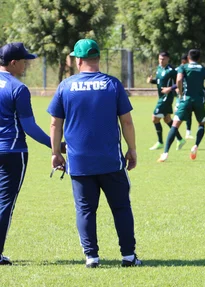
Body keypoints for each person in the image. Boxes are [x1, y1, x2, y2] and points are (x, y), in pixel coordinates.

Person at [47, 39, 141, 268]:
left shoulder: (65, 86)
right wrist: (132, 149)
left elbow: (54, 124)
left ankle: (92, 257)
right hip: (110, 160)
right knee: (121, 207)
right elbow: (126, 121)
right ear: (98, 58)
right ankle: (128, 256)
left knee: (86, 210)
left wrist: (55, 153)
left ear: (78, 60)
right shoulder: (112, 84)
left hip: (79, 162)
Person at [0, 42, 54, 265]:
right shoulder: (18, 88)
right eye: (24, 61)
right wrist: (56, 145)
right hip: (12, 152)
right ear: (13, 63)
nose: (26, 66)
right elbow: (29, 127)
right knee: (4, 203)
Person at [157, 49, 205, 162]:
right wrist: (203, 91)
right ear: (198, 59)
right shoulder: (203, 68)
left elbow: (179, 79)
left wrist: (181, 91)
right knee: (201, 124)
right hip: (199, 101)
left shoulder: (184, 67)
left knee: (175, 125)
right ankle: (196, 145)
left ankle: (165, 153)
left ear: (188, 58)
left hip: (186, 100)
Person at [147, 52, 186, 150]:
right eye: (159, 59)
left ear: (168, 59)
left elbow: (180, 82)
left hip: (166, 98)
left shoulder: (171, 71)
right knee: (167, 119)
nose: (161, 61)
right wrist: (152, 81)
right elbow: (160, 80)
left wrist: (170, 88)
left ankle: (160, 142)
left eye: (163, 59)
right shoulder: (159, 68)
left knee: (154, 118)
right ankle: (180, 139)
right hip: (161, 97)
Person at [162, 53, 194, 139]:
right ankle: (177, 134)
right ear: (184, 61)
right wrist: (175, 88)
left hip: (187, 94)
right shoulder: (177, 70)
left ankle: (188, 132)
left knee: (188, 113)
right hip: (180, 96)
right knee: (178, 113)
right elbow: (175, 81)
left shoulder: (189, 70)